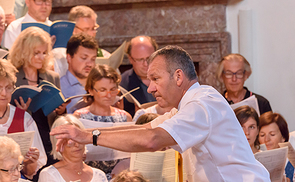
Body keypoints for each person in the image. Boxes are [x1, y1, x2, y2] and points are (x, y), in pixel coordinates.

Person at [51, 45, 270, 181]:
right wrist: (83, 130)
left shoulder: (202, 103)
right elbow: (145, 128)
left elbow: (152, 139)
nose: (150, 88)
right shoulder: (188, 104)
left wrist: (90, 137)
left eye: (155, 79)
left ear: (178, 76)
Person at [8, 27, 65, 177]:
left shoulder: (52, 77)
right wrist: (23, 110)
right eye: (36, 53)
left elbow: (56, 116)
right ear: (24, 52)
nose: (41, 57)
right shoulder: (13, 75)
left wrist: (61, 110)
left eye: (44, 53)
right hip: (26, 136)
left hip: (48, 134)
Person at [73, 64, 132, 180]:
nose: (108, 95)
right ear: (90, 90)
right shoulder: (79, 117)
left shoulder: (125, 117)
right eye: (102, 90)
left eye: (113, 90)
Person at [0, 59, 46, 180]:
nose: (4, 93)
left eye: (8, 87)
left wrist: (31, 161)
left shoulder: (23, 118)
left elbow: (29, 173)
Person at [38, 114, 107, 182]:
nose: (77, 144)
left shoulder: (99, 175)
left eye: (79, 138)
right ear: (58, 143)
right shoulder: (49, 174)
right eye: (70, 140)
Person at [53, 5, 110, 77]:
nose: (91, 34)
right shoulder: (60, 56)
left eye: (93, 28)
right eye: (86, 29)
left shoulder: (105, 55)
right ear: (73, 30)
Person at [60, 33, 98, 113]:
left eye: (93, 59)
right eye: (84, 58)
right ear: (69, 58)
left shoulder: (99, 85)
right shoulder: (59, 87)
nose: (89, 64)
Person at [120, 36, 158, 117]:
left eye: (149, 58)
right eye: (140, 60)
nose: (145, 64)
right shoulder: (122, 83)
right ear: (130, 59)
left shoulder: (170, 77)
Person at [258, 111, 293, 182]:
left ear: (283, 137)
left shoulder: (291, 162)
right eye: (262, 135)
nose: (266, 139)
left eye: (272, 134)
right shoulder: (255, 161)